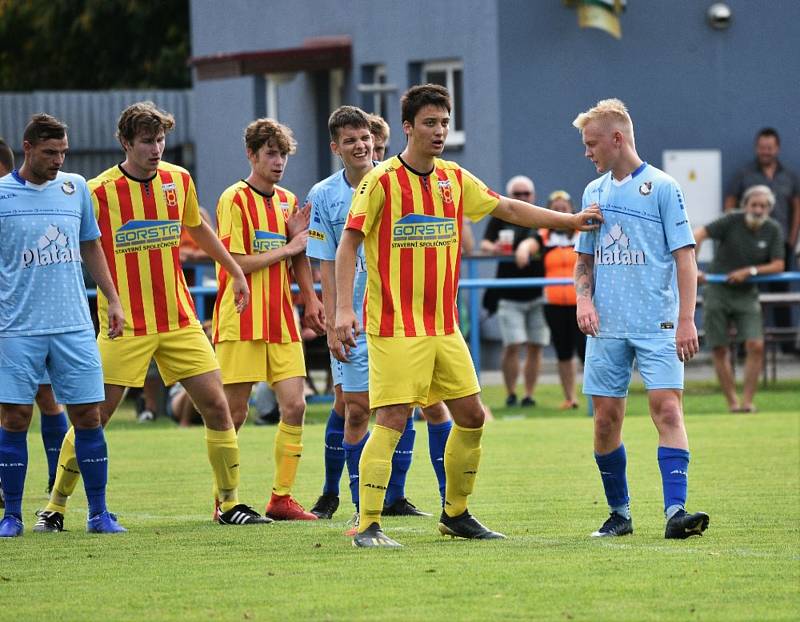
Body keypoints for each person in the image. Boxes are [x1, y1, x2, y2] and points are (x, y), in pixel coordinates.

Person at [335, 84, 602, 547]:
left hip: (444, 327)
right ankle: (367, 523)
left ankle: (455, 513)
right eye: (430, 123)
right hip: (395, 326)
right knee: (392, 418)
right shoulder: (379, 181)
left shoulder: (453, 178)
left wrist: (569, 221)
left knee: (473, 415)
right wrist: (341, 310)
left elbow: (507, 208)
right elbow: (349, 243)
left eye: (444, 122)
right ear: (407, 127)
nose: (439, 131)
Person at [35, 101, 270, 532]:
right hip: (126, 324)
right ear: (125, 142)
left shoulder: (178, 180)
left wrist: (235, 270)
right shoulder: (97, 190)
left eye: (160, 139)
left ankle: (230, 503)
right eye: (147, 141)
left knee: (218, 408)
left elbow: (198, 229)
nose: (156, 148)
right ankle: (55, 506)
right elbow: (79, 244)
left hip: (179, 321)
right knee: (93, 417)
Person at [305, 107, 451, 528]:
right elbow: (328, 262)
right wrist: (335, 317)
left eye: (365, 137)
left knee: (427, 405)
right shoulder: (324, 195)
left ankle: (442, 505)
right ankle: (357, 503)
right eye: (349, 140)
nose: (361, 145)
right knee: (355, 409)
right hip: (354, 320)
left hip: (402, 316)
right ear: (336, 148)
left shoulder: (395, 178)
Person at [572, 98, 709, 539]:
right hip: (607, 326)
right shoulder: (593, 193)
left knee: (667, 408)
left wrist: (687, 318)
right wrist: (583, 301)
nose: (587, 152)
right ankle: (619, 514)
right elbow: (583, 263)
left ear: (617, 139)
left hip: (658, 324)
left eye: (592, 143)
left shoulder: (664, 187)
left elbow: (685, 259)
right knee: (605, 419)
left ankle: (675, 512)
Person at [0, 113, 126, 536]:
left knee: (89, 416)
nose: (58, 160)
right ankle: (12, 516)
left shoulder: (75, 189)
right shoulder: (1, 195)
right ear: (28, 147)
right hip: (16, 327)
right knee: (15, 418)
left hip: (72, 324)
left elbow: (91, 244)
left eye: (63, 152)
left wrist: (112, 299)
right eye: (50, 152)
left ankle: (98, 514)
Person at [213, 117, 325, 521]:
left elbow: (298, 256)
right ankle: (224, 500)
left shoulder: (287, 200)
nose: (279, 162)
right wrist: (290, 244)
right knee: (234, 413)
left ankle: (281, 499)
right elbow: (236, 262)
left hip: (281, 320)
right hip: (241, 318)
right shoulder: (233, 199)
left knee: (295, 406)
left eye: (283, 155)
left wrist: (310, 300)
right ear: (252, 154)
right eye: (271, 154)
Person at [0, 139, 70, 501]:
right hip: (17, 323)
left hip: (23, 322)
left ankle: (54, 479)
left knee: (44, 397)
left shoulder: (23, 203)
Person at [695, 185, 784, 413]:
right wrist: (693, 268)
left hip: (747, 292)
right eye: (754, 204)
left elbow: (778, 264)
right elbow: (698, 235)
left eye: (763, 206)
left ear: (769, 209)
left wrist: (749, 271)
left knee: (756, 344)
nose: (758, 209)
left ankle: (747, 402)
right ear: (745, 206)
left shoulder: (773, 229)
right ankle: (733, 403)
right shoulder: (731, 220)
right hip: (717, 289)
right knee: (719, 347)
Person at [724, 128, 800, 351]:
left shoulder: (789, 175)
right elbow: (729, 203)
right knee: (745, 293)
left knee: (781, 294)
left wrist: (792, 239)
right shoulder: (744, 174)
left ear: (777, 148)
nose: (766, 151)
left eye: (770, 147)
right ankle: (742, 346)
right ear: (757, 148)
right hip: (749, 245)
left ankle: (786, 346)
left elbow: (796, 206)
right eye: (762, 147)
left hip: (780, 244)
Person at [480, 175, 549, 408]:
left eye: (525, 194)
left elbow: (539, 240)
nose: (522, 198)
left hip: (536, 291)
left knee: (536, 345)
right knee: (512, 344)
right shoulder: (500, 216)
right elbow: (485, 244)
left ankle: (529, 394)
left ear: (533, 196)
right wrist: (496, 247)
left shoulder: (540, 216)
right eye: (517, 194)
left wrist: (524, 247)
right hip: (508, 292)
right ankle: (510, 393)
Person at [518, 190, 585, 409]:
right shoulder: (545, 235)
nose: (559, 213)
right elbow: (530, 244)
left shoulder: (581, 232)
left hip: (582, 303)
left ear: (571, 210)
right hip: (554, 303)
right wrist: (523, 248)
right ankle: (571, 398)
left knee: (587, 352)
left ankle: (597, 399)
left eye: (563, 209)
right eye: (555, 209)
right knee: (563, 352)